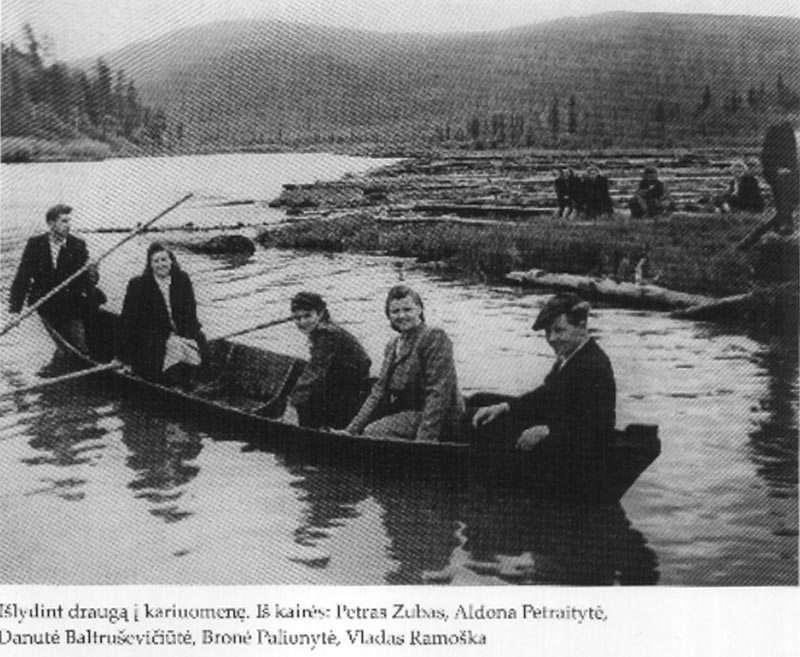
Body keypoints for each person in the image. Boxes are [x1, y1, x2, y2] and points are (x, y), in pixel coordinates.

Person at [472, 293, 615, 494]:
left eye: (559, 330)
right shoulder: (571, 356)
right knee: (481, 400)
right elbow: (546, 395)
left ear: (582, 327)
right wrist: (506, 406)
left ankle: (483, 480)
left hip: (573, 446)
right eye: (548, 332)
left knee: (485, 425)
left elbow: (598, 425)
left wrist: (549, 431)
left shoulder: (593, 366)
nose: (552, 339)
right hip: (559, 423)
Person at [345, 285, 463, 442]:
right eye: (395, 311)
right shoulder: (393, 344)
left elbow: (438, 394)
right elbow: (379, 391)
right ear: (389, 315)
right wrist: (351, 431)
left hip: (440, 416)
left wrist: (424, 442)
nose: (401, 316)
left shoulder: (433, 336)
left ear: (419, 310)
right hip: (409, 412)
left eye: (407, 310)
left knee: (374, 432)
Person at [116, 242, 206, 382]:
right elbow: (128, 320)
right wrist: (123, 356)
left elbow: (190, 310)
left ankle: (197, 377)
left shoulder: (182, 279)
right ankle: (171, 380)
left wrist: (186, 334)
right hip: (152, 334)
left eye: (164, 260)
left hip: (180, 330)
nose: (161, 264)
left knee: (199, 338)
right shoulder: (139, 285)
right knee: (170, 346)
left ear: (171, 261)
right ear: (150, 265)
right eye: (156, 261)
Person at [8, 204, 92, 350]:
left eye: (69, 221)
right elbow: (23, 277)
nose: (68, 225)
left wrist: (93, 275)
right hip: (46, 303)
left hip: (71, 303)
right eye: (64, 221)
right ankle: (66, 351)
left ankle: (72, 352)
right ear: (51, 223)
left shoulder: (77, 245)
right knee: (67, 345)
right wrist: (15, 311)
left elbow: (85, 281)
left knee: (78, 346)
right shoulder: (35, 244)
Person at [287, 292, 372, 429]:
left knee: (306, 392)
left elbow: (315, 372)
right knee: (301, 373)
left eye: (307, 316)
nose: (302, 322)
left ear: (320, 314)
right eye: (297, 318)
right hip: (348, 382)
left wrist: (292, 404)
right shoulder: (326, 327)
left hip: (351, 390)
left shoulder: (326, 334)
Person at [761, 105, 799, 233]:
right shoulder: (775, 131)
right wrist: (776, 168)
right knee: (783, 193)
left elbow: (794, 154)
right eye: (794, 113)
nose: (797, 117)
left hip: (793, 171)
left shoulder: (792, 132)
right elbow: (766, 154)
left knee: (789, 197)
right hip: (780, 171)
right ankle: (784, 225)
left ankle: (784, 223)